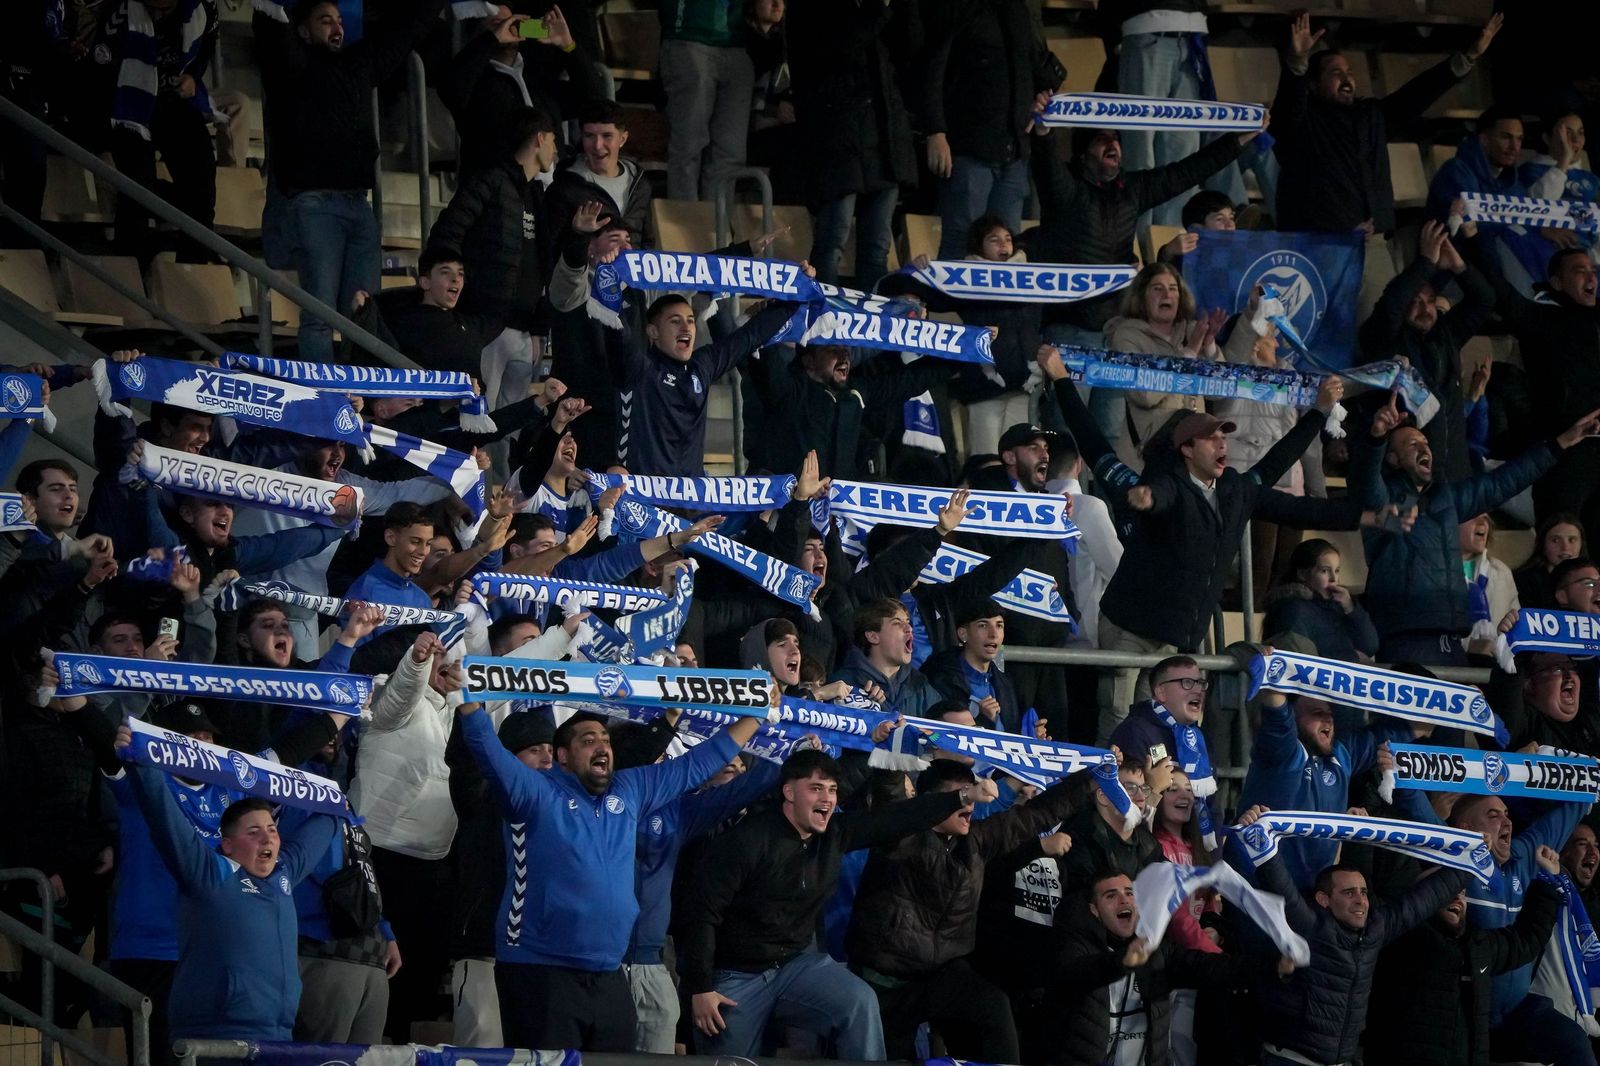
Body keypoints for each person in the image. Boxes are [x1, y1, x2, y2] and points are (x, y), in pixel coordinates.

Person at [1036, 344, 1346, 740]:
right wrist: (1062, 380)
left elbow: (1273, 465)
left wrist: (1318, 413)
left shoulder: (1210, 495)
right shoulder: (1135, 487)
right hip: (1129, 628)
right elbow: (1094, 443)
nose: (1220, 446)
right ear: (1182, 451)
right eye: (1205, 439)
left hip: (1176, 634)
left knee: (1165, 731)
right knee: (1118, 721)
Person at [459, 699, 763, 1051]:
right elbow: (488, 752)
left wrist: (754, 718)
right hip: (539, 969)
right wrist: (469, 707)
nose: (602, 746)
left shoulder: (629, 789)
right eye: (588, 741)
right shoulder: (534, 792)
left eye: (605, 739)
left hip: (608, 973)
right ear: (562, 757)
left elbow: (696, 765)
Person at [678, 747, 996, 1059]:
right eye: (815, 788)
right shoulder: (745, 841)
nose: (827, 799)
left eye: (832, 789)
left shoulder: (835, 833)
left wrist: (962, 798)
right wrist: (699, 987)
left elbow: (898, 818)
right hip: (734, 977)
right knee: (732, 1062)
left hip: (795, 965)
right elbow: (701, 915)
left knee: (859, 1001)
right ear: (788, 792)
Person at [847, 759, 1084, 1062]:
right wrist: (894, 751)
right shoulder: (900, 836)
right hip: (885, 982)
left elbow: (1037, 815)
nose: (970, 804)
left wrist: (1092, 779)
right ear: (931, 802)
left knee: (991, 1006)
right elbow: (889, 800)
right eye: (961, 796)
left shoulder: (977, 841)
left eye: (972, 793)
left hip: (939, 975)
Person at [114, 725, 339, 1042]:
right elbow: (165, 817)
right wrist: (141, 764)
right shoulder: (209, 873)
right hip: (214, 1036)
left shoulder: (283, 874)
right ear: (228, 844)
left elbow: (326, 821)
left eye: (272, 830)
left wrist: (335, 802)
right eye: (253, 832)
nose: (267, 838)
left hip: (277, 1036)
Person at [253, 0, 446, 362]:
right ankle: (323, 398)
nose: (336, 27)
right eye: (325, 20)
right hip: (313, 205)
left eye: (339, 20)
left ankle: (357, 395)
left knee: (364, 312)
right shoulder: (291, 66)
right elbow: (269, 27)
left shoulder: (359, 64)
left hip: (359, 206)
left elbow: (402, 32)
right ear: (303, 31)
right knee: (320, 314)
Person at [1354, 391, 1600, 663]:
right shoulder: (1382, 501)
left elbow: (1502, 483)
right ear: (1393, 459)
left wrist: (1560, 444)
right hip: (1405, 640)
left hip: (1452, 640)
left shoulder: (1445, 499)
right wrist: (1376, 439)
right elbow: (1365, 480)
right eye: (1413, 445)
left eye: (1426, 443)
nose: (1425, 448)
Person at [1022, 109, 1264, 355]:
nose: (1112, 143)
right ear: (1083, 154)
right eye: (1101, 139)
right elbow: (1046, 166)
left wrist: (1238, 141)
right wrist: (1043, 132)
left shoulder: (1132, 189)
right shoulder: (1066, 188)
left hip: (1119, 332)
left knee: (1118, 396)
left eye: (1115, 138)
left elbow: (1188, 171)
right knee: (1071, 396)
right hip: (1070, 330)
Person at [1250, 806, 1473, 1066]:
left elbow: (1423, 899)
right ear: (1323, 899)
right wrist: (1260, 841)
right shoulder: (1309, 925)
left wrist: (1470, 862)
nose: (1360, 901)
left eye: (1364, 892)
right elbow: (1280, 886)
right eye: (1349, 893)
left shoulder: (1374, 930)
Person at [1271, 11, 1502, 236]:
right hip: (1318, 244)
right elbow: (1287, 108)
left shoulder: (1371, 116)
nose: (1346, 79)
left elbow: (1419, 92)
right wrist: (1297, 63)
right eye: (1335, 73)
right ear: (1313, 85)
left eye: (1349, 72)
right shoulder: (1303, 121)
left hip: (1372, 242)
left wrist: (1468, 57)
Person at [1044, 870, 1291, 1066]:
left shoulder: (1157, 952)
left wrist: (1272, 967)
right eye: (1111, 896)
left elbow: (1211, 966)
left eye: (1130, 893)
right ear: (1093, 910)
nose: (1124, 899)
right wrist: (1120, 962)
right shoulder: (1074, 946)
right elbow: (1075, 974)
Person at [1457, 207, 1600, 536]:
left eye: (1592, 270)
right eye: (1579, 271)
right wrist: (1473, 235)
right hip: (1565, 454)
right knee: (1561, 543)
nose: (1590, 276)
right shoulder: (1542, 321)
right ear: (1557, 282)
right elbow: (1499, 291)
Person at [1365, 853, 1563, 1066]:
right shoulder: (1399, 940)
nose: (1457, 898)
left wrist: (1547, 883)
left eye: (1462, 892)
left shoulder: (1478, 947)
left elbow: (1526, 939)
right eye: (1447, 891)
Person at [1445, 793, 1596, 1066]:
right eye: (1494, 816)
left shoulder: (1523, 856)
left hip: (1517, 1014)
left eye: (1507, 814)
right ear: (1465, 829)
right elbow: (1418, 819)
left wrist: (1586, 780)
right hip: (1465, 1017)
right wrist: (1396, 775)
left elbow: (1566, 813)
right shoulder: (1452, 858)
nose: (1507, 822)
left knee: (1575, 1043)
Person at [425, 106, 559, 409]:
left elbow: (541, 266)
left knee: (511, 431)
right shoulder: (490, 180)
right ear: (539, 139)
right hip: (485, 327)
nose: (555, 149)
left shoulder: (537, 195)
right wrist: (461, 307)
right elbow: (447, 234)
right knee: (478, 422)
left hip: (525, 332)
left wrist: (538, 327)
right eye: (552, 140)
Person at [1237, 672, 1411, 889]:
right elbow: (1277, 714)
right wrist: (1275, 671)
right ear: (1294, 719)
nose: (1328, 719)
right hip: (1258, 893)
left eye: (1330, 713)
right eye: (1317, 713)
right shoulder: (1282, 754)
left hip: (1313, 898)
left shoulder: (1341, 756)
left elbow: (1402, 731)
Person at [787, 0, 917, 287]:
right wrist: (878, 10)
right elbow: (837, 49)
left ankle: (872, 326)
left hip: (884, 141)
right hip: (837, 139)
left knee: (877, 248)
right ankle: (822, 317)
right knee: (833, 239)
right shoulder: (815, 8)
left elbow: (911, 48)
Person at [608, 290, 803, 477]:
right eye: (675, 321)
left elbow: (748, 337)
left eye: (691, 321)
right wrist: (615, 285)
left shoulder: (702, 366)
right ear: (653, 331)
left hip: (692, 501)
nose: (686, 327)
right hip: (643, 501)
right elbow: (619, 333)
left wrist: (794, 298)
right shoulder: (639, 368)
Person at [1359, 220, 1496, 483]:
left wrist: (1458, 266)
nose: (1426, 309)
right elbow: (1390, 307)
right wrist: (1424, 264)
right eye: (1416, 302)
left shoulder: (1446, 333)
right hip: (1405, 471)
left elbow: (1484, 300)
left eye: (1431, 301)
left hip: (1455, 469)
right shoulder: (1383, 339)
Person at [921, 0, 1058, 258]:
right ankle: (950, 301)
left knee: (1008, 248)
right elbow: (932, 69)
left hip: (1014, 150)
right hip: (969, 148)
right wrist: (935, 131)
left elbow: (1032, 66)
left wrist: (1041, 98)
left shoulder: (1018, 9)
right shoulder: (954, 7)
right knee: (961, 242)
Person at [104, 0, 220, 261]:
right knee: (137, 191)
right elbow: (101, 64)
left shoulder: (203, 8)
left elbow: (208, 41)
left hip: (173, 100)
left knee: (202, 179)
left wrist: (193, 75)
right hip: (128, 105)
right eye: (151, 6)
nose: (156, 14)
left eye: (164, 10)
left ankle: (195, 268)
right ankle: (132, 274)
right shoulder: (120, 11)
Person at [441, 5, 597, 182]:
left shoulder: (537, 81)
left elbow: (592, 100)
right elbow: (452, 90)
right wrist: (491, 40)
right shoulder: (475, 84)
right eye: (498, 23)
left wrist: (568, 46)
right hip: (499, 193)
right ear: (479, 33)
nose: (508, 27)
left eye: (513, 22)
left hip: (551, 194)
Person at [1103, 261, 1225, 469]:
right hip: (1147, 461)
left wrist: (1209, 344)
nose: (1166, 295)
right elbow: (1144, 395)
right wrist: (1189, 353)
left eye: (1173, 289)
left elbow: (1219, 391)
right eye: (1157, 288)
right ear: (1142, 296)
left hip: (1192, 460)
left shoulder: (1191, 332)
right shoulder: (1126, 336)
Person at [658, 0, 754, 201]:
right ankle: (685, 225)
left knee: (730, 152)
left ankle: (718, 226)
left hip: (738, 42)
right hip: (689, 36)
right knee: (689, 145)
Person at [1262, 539, 1379, 662]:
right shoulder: (1292, 608)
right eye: (1324, 571)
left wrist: (1351, 609)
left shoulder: (1338, 605)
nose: (1333, 578)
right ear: (1302, 574)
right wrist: (1354, 657)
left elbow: (1370, 646)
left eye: (1337, 570)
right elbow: (1299, 658)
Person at [830, 599, 941, 718]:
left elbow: (942, 732)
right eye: (897, 623)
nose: (909, 628)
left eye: (908, 622)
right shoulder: (843, 684)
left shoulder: (922, 687)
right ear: (873, 637)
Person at [922, 599, 1020, 733]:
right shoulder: (938, 677)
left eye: (999, 625)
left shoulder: (1005, 683)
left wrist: (1031, 736)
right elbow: (934, 736)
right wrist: (982, 720)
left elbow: (1011, 735)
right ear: (963, 634)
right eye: (983, 625)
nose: (993, 634)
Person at [1459, 513, 1519, 657]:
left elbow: (1517, 622)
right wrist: (1468, 645)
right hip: (1450, 663)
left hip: (1497, 664)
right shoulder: (1432, 571)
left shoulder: (1501, 571)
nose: (1482, 523)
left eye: (1486, 518)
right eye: (1473, 516)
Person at [1515, 513, 1586, 611]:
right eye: (1556, 540)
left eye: (1572, 540)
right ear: (1542, 545)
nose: (1565, 547)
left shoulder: (1594, 579)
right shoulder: (1524, 582)